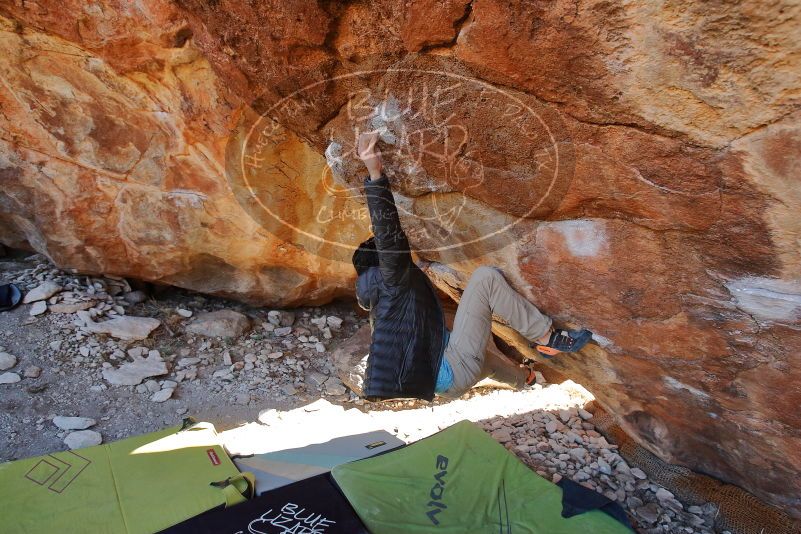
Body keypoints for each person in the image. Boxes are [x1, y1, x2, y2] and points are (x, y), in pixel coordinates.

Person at [352, 132, 592, 401]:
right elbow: (387, 232)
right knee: (485, 280)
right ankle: (547, 337)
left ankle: (526, 379)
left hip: (442, 382)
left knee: (483, 358)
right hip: (451, 369)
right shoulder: (392, 278)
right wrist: (374, 170)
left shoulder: (379, 302)